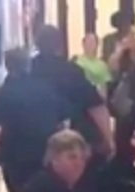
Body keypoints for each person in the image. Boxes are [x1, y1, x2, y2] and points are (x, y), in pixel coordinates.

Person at [0, 47, 74, 192]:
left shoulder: (5, 94)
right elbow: (64, 121)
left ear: (7, 65)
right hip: (46, 155)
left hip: (17, 159)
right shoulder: (46, 88)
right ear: (28, 64)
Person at [32, 25, 116, 163]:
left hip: (35, 141)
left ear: (37, 44)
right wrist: (108, 140)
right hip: (70, 139)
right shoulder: (72, 71)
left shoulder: (29, 70)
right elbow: (96, 106)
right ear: (59, 45)